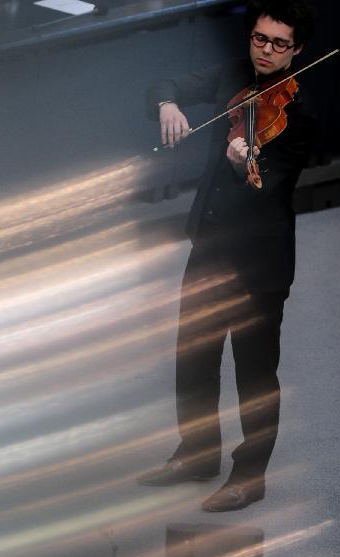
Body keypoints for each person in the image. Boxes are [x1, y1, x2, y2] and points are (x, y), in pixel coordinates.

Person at [139, 0, 317, 511]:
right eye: (259, 39)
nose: (265, 51)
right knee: (192, 357)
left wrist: (244, 165)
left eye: (279, 44)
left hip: (258, 262)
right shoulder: (234, 74)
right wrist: (167, 105)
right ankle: (196, 454)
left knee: (254, 374)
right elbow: (164, 83)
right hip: (211, 246)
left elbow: (273, 186)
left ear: (297, 49)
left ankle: (249, 475)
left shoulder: (301, 110)